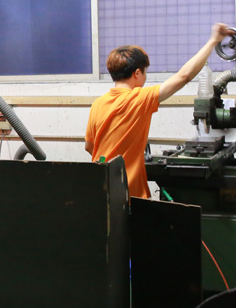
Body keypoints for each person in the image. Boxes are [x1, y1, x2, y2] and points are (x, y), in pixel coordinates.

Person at [85, 23, 234, 200]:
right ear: (137, 73)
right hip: (127, 196)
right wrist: (213, 41)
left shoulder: (98, 104)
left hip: (99, 192)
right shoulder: (138, 98)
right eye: (145, 73)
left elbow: (90, 147)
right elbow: (183, 76)